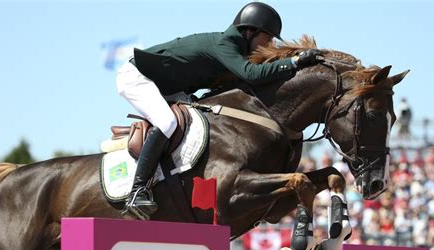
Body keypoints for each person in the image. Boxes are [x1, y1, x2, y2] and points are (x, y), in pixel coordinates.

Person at [116, 2, 325, 218]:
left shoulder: (234, 49)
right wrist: (294, 62)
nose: (270, 43)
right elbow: (252, 74)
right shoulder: (226, 45)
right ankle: (137, 190)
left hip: (169, 86)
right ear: (250, 31)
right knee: (168, 122)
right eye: (268, 37)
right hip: (137, 76)